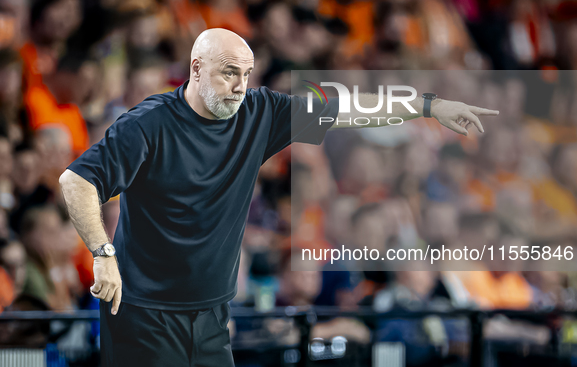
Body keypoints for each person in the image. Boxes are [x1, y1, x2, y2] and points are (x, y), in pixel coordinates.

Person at [58, 28, 498, 367]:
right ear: (195, 69)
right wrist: (102, 252)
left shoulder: (259, 112)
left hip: (211, 316)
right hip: (143, 315)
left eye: (246, 74)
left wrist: (427, 105)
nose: (239, 86)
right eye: (229, 72)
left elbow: (346, 108)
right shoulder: (147, 124)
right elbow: (77, 181)